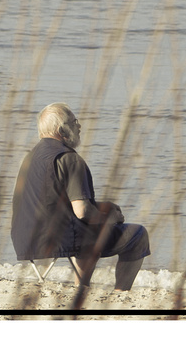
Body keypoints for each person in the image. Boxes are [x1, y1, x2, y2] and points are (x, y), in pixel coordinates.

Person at [11, 102, 150, 290]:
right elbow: (82, 211)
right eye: (74, 122)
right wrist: (108, 218)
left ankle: (83, 284)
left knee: (84, 226)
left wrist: (103, 207)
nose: (79, 126)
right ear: (62, 129)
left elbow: (53, 204)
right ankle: (121, 292)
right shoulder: (70, 158)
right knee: (138, 235)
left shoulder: (28, 159)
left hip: (25, 240)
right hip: (61, 240)